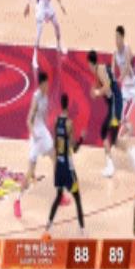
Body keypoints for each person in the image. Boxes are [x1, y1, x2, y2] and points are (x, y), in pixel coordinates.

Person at [14, 71, 70, 217]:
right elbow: (29, 119)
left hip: (43, 133)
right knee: (30, 171)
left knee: (56, 159)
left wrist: (48, 132)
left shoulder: (45, 97)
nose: (48, 86)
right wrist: (33, 134)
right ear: (42, 84)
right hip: (36, 136)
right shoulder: (37, 98)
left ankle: (60, 195)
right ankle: (17, 201)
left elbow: (43, 119)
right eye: (46, 84)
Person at [87, 49, 135, 178]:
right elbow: (105, 85)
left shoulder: (100, 70)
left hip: (115, 105)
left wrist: (97, 92)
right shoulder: (100, 70)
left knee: (105, 133)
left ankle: (111, 166)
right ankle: (131, 152)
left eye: (88, 64)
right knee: (113, 139)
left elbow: (107, 86)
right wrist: (96, 90)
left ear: (90, 63)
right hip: (115, 104)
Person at [44, 93, 85, 237]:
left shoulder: (57, 121)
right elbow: (74, 148)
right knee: (77, 198)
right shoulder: (69, 123)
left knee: (58, 196)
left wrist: (55, 165)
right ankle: (83, 230)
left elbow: (56, 144)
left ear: (61, 105)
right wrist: (82, 138)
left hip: (59, 165)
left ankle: (48, 225)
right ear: (68, 105)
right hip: (68, 166)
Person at [24, 0, 66, 69]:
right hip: (40, 7)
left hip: (48, 5)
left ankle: (58, 45)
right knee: (39, 33)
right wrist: (27, 4)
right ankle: (34, 58)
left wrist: (61, 4)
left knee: (57, 25)